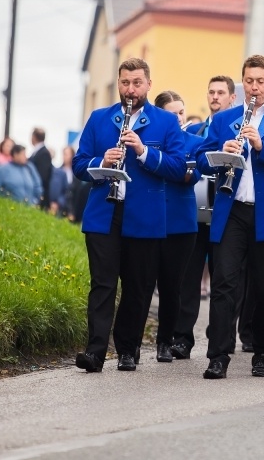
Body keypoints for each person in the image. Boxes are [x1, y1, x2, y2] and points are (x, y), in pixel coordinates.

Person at [196, 54, 264, 379]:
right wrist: (221, 153)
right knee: (223, 285)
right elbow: (200, 160)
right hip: (232, 211)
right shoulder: (224, 119)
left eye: (260, 81)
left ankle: (263, 352)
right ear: (242, 82)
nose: (254, 87)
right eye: (249, 81)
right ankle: (218, 356)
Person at [73, 58, 186, 373]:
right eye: (125, 83)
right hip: (104, 213)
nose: (130, 90)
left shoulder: (166, 122)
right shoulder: (99, 118)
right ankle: (95, 352)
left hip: (145, 215)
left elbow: (178, 167)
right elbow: (79, 164)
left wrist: (143, 151)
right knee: (102, 284)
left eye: (137, 83)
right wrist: (101, 161)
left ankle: (127, 349)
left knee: (137, 287)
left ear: (149, 84)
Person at [171, 76, 234, 360]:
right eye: (211, 92)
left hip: (225, 212)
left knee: (225, 279)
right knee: (189, 278)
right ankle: (182, 338)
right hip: (196, 213)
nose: (215, 97)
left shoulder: (238, 129)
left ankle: (222, 336)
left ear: (232, 98)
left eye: (221, 92)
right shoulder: (195, 131)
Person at [151, 90, 202, 363]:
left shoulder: (193, 141)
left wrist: (167, 166)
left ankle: (165, 342)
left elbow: (192, 175)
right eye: (173, 114)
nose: (180, 118)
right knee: (142, 285)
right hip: (150, 219)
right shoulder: (150, 139)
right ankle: (130, 345)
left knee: (172, 287)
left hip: (182, 224)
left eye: (182, 112)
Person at [49, 146, 77, 218]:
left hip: (72, 208)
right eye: (63, 154)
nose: (64, 156)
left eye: (66, 154)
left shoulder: (76, 174)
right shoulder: (57, 172)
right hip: (60, 206)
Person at [29, 128, 53, 210]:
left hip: (40, 194)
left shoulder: (44, 153)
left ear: (34, 137)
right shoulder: (38, 152)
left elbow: (42, 175)